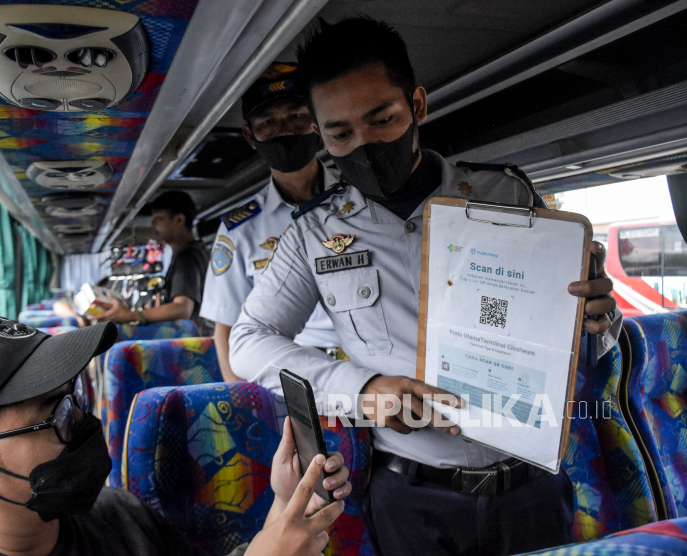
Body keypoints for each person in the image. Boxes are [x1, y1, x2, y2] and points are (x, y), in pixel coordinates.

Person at [229, 17, 622, 556]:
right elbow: (248, 339)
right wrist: (363, 389)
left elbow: (580, 336)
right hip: (410, 496)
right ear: (320, 135)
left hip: (529, 485)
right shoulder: (314, 236)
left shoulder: (503, 195)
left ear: (416, 105)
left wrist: (600, 318)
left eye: (382, 119)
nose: (364, 145)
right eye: (341, 133)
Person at [0, 313, 352, 556]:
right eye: (53, 412)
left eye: (75, 396)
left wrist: (284, 511)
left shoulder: (119, 518)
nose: (82, 421)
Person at [200, 62, 341, 381]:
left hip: (371, 367)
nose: (286, 129)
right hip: (294, 377)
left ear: (316, 121)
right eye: (268, 121)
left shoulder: (361, 200)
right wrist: (243, 402)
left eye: (296, 115)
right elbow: (227, 328)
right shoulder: (239, 230)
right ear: (251, 136)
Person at [98, 191, 214, 336]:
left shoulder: (187, 257)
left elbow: (183, 308)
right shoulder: (199, 250)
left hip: (196, 338)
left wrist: (130, 315)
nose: (153, 224)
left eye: (159, 218)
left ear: (179, 220)